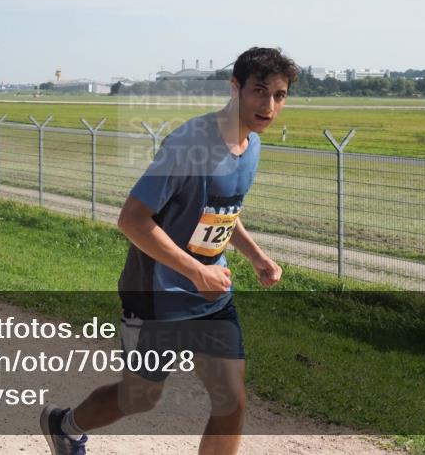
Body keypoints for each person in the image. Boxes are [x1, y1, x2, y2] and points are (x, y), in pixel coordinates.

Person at [40, 47, 297, 455]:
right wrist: (197, 271)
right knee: (140, 397)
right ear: (235, 88)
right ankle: (64, 425)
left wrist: (255, 255)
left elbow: (220, 211)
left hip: (211, 294)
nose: (269, 106)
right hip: (156, 295)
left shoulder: (252, 145)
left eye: (279, 95)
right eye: (259, 91)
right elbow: (132, 220)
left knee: (232, 401)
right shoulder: (190, 144)